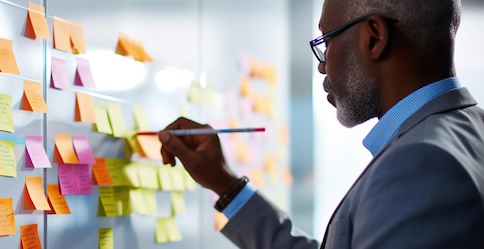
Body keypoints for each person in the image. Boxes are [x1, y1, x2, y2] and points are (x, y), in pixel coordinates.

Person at [158, 0, 484, 248]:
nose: (322, 66)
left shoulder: (420, 164)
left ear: (374, 38)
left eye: (327, 42)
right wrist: (226, 185)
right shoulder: (468, 129)